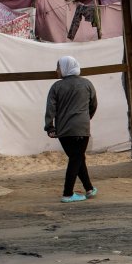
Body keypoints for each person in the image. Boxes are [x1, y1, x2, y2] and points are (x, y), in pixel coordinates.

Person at [45, 56, 99, 203]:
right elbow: (93, 105)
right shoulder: (87, 84)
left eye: (58, 67)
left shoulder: (56, 87)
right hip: (81, 129)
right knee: (77, 158)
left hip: (63, 131)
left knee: (77, 158)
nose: (57, 71)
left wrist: (50, 127)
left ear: (65, 68)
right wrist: (86, 118)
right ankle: (67, 194)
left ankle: (89, 189)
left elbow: (50, 108)